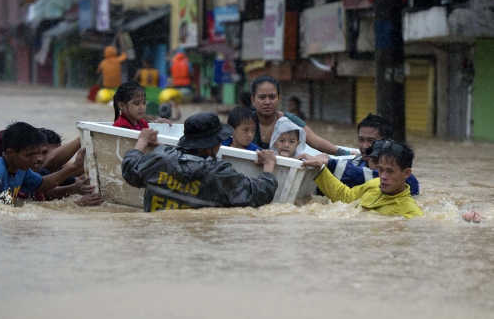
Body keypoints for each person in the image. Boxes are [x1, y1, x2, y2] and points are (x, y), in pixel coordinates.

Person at [121, 112, 278, 212]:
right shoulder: (218, 173)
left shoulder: (159, 159)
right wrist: (269, 165)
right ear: (210, 145)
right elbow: (260, 194)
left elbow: (129, 169)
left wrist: (142, 141)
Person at [0, 122, 86, 206]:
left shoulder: (22, 169)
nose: (35, 159)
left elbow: (43, 184)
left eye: (36, 154)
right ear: (11, 153)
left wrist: (74, 167)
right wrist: (1, 210)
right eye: (29, 155)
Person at [299, 113, 420, 196]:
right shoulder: (354, 162)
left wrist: (330, 164)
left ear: (386, 142)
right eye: (361, 140)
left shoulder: (404, 176)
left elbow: (368, 177)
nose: (365, 146)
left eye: (371, 141)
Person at [302, 140, 423, 219]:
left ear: (406, 173)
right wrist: (321, 168)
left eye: (390, 171)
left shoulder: (411, 213)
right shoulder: (374, 184)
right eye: (380, 170)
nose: (383, 176)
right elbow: (345, 197)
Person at [249, 74, 352, 156]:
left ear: (279, 99)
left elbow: (315, 141)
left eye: (272, 97)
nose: (267, 102)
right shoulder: (245, 120)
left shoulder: (290, 120)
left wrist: (346, 153)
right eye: (262, 97)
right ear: (253, 100)